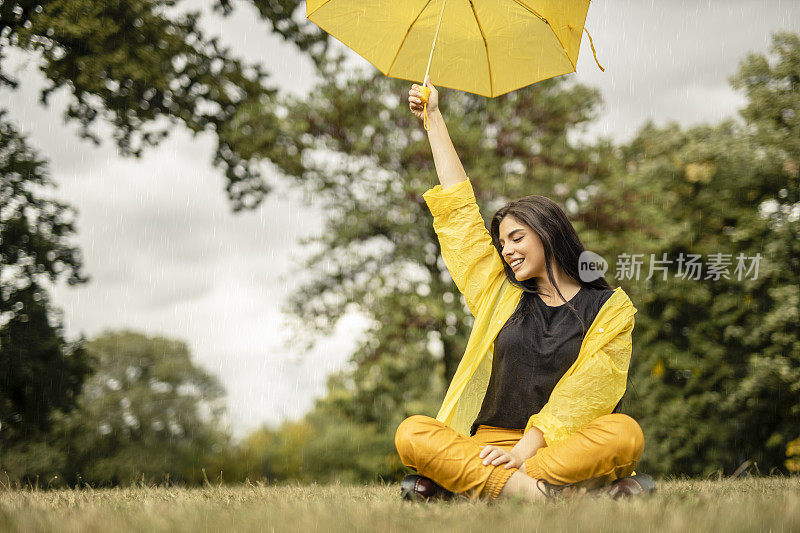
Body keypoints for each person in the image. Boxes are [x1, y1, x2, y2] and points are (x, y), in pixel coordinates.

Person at [395, 76, 655, 502]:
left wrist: (526, 450)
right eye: (502, 243)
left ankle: (485, 489)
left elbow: (589, 392)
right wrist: (434, 120)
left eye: (516, 237)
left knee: (623, 434)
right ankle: (558, 496)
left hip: (557, 446)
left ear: (548, 232)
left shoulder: (609, 308)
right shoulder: (500, 294)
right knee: (413, 433)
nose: (507, 250)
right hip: (487, 447)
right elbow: (459, 213)